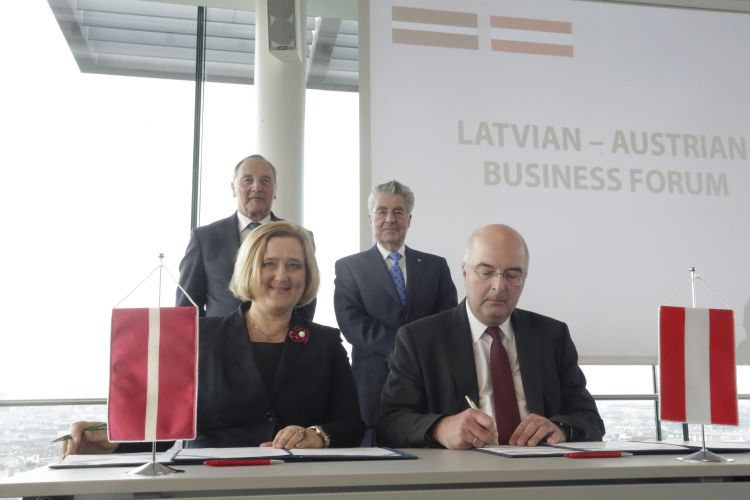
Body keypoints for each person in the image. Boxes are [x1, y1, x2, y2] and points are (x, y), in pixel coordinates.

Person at [62, 222, 363, 456]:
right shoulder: (201, 337)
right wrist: (112, 439)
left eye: (294, 265)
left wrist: (317, 435)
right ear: (249, 269)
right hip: (208, 482)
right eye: (269, 263)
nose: (282, 275)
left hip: (296, 483)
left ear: (307, 275)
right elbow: (165, 426)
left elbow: (351, 425)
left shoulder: (326, 343)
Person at [377, 224, 604, 449]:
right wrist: (439, 428)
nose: (499, 286)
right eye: (486, 272)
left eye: (512, 275)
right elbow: (390, 423)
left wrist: (560, 428)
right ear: (464, 273)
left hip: (540, 464)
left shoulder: (552, 336)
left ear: (524, 279)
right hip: (461, 469)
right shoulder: (419, 339)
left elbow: (590, 419)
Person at [334, 180, 457, 445]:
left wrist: (418, 355)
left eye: (398, 212)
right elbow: (352, 322)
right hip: (372, 390)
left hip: (428, 386)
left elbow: (448, 318)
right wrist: (404, 351)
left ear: (409, 220)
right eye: (382, 211)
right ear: (370, 218)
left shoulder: (435, 267)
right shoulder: (349, 268)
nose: (390, 219)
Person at [176, 154, 315, 321]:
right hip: (222, 336)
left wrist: (298, 334)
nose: (257, 187)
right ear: (233, 188)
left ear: (275, 190)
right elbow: (187, 307)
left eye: (265, 181)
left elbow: (307, 295)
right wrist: (210, 333)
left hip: (284, 336)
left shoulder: (299, 237)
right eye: (247, 180)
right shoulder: (204, 239)